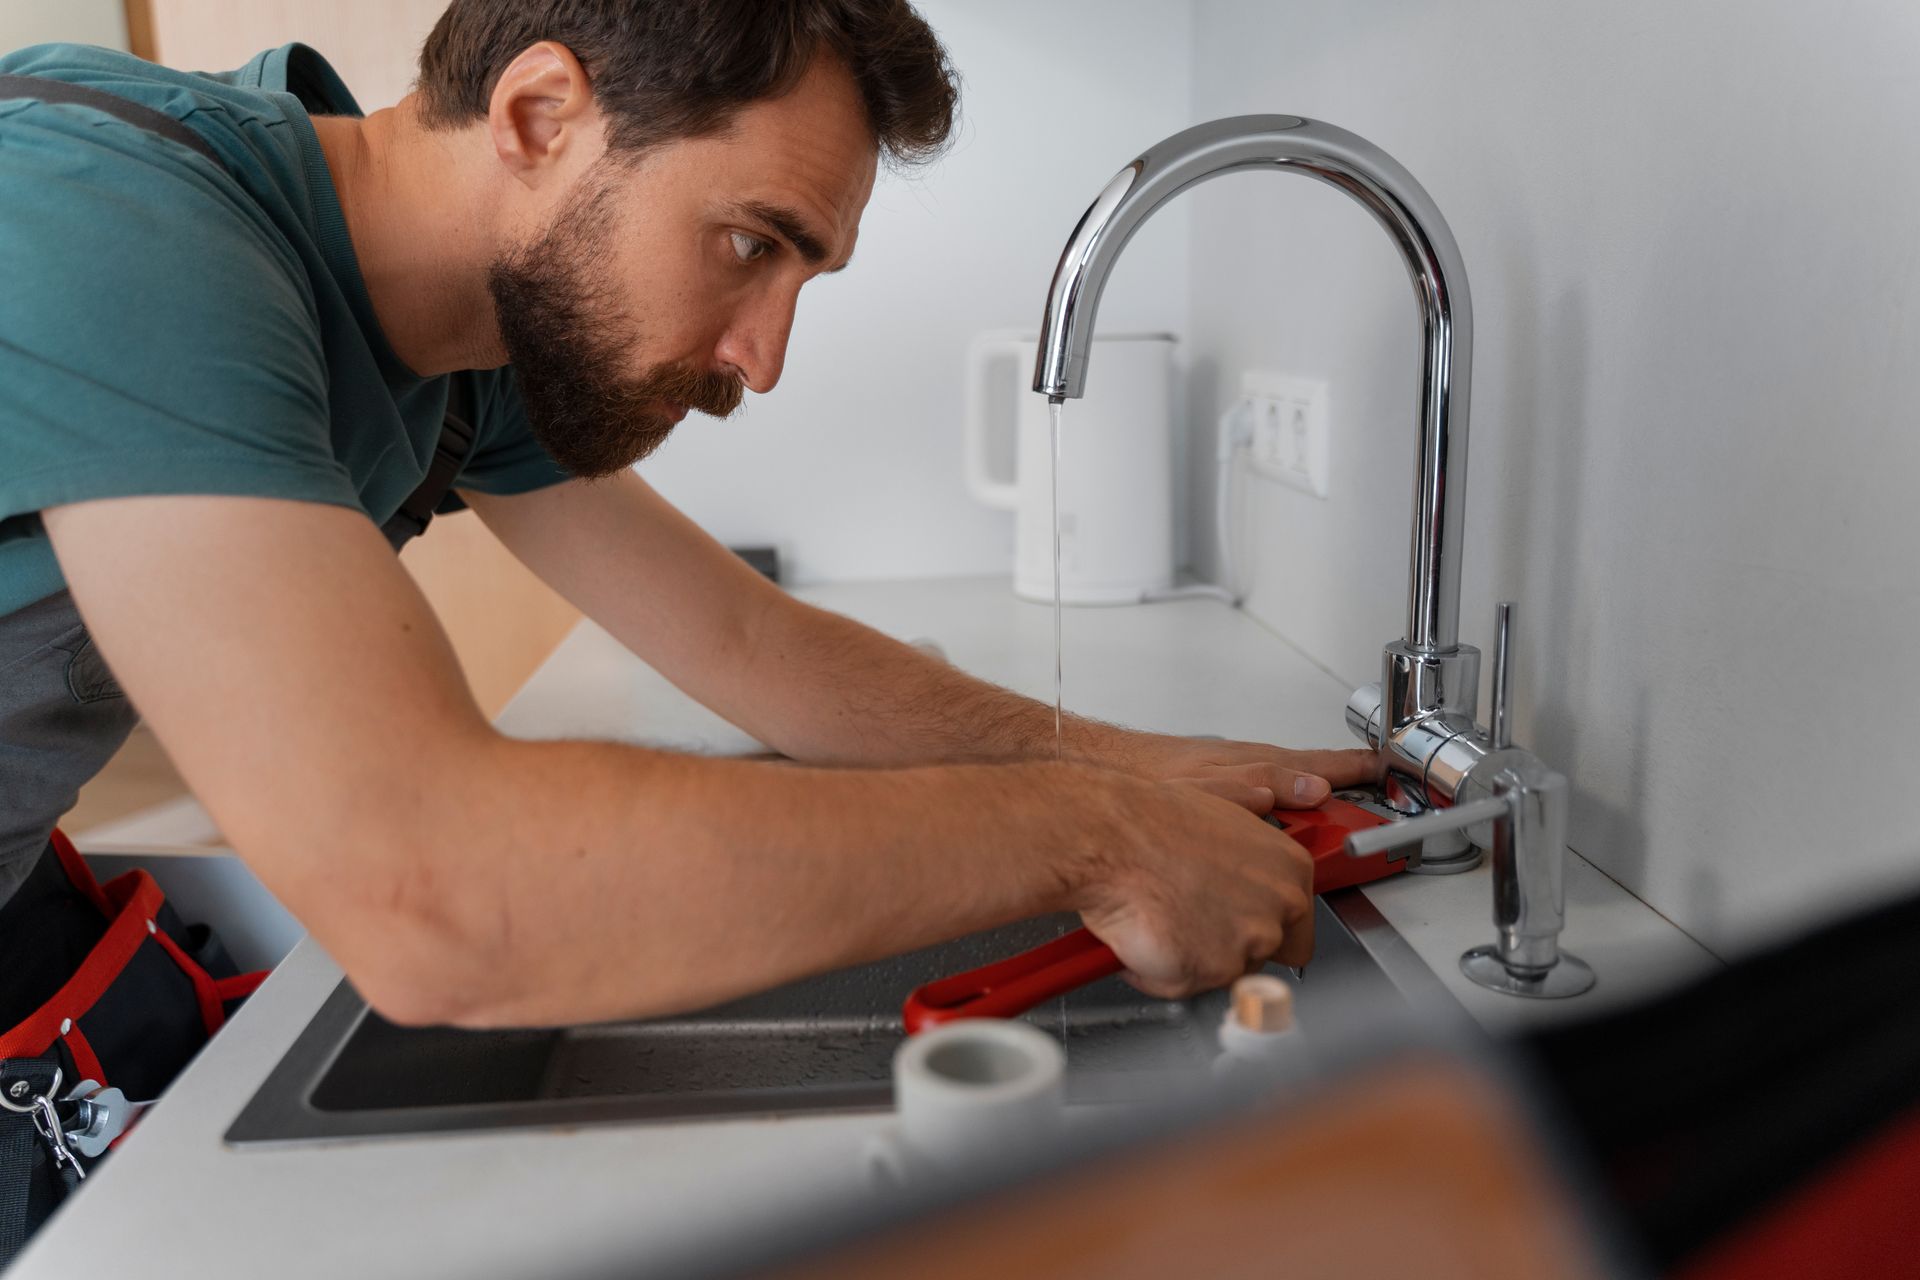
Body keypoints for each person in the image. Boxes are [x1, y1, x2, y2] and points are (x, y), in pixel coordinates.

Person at [0, 0, 1373, 1072]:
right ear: (540, 115)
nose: (762, 359)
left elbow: (747, 644)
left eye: (802, 274)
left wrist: (1146, 770)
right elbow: (433, 896)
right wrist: (1091, 834)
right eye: (746, 243)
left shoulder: (467, 337)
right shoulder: (116, 222)